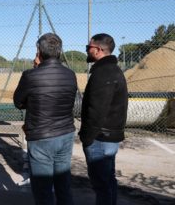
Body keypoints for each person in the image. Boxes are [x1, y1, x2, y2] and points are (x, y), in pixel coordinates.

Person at [13, 33, 77, 205]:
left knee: (43, 189)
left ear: (39, 52)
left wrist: (35, 71)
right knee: (63, 185)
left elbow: (18, 102)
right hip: (66, 133)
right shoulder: (70, 75)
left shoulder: (30, 75)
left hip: (41, 136)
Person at [79, 33, 128, 205]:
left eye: (88, 47)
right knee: (108, 181)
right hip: (108, 137)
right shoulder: (112, 70)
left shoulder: (104, 73)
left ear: (98, 50)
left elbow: (96, 110)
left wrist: (86, 137)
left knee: (101, 185)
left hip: (100, 138)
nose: (86, 50)